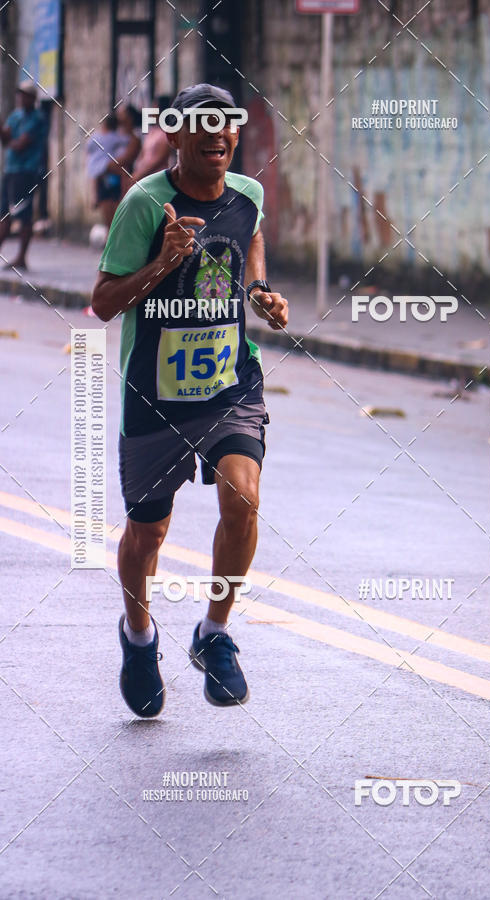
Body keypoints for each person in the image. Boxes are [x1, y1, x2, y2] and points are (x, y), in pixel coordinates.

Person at [91, 83, 288, 718]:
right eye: (201, 126)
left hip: (229, 382)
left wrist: (259, 288)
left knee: (243, 496)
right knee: (148, 533)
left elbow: (250, 234)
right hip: (155, 395)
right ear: (173, 137)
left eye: (226, 126)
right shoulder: (146, 205)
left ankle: (214, 633)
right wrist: (161, 264)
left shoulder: (246, 193)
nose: (217, 135)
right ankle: (140, 637)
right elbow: (101, 302)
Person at [0, 80, 47, 269]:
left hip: (27, 170)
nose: (21, 98)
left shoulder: (37, 118)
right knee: (3, 213)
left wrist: (7, 136)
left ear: (33, 98)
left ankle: (21, 257)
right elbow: (6, 140)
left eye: (25, 95)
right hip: (11, 169)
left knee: (23, 215)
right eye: (20, 95)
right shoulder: (15, 116)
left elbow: (20, 144)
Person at [86, 114, 130, 229]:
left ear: (104, 125)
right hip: (111, 171)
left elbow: (88, 148)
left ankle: (94, 198)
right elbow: (128, 140)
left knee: (96, 183)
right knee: (114, 211)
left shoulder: (95, 137)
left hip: (99, 170)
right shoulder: (116, 137)